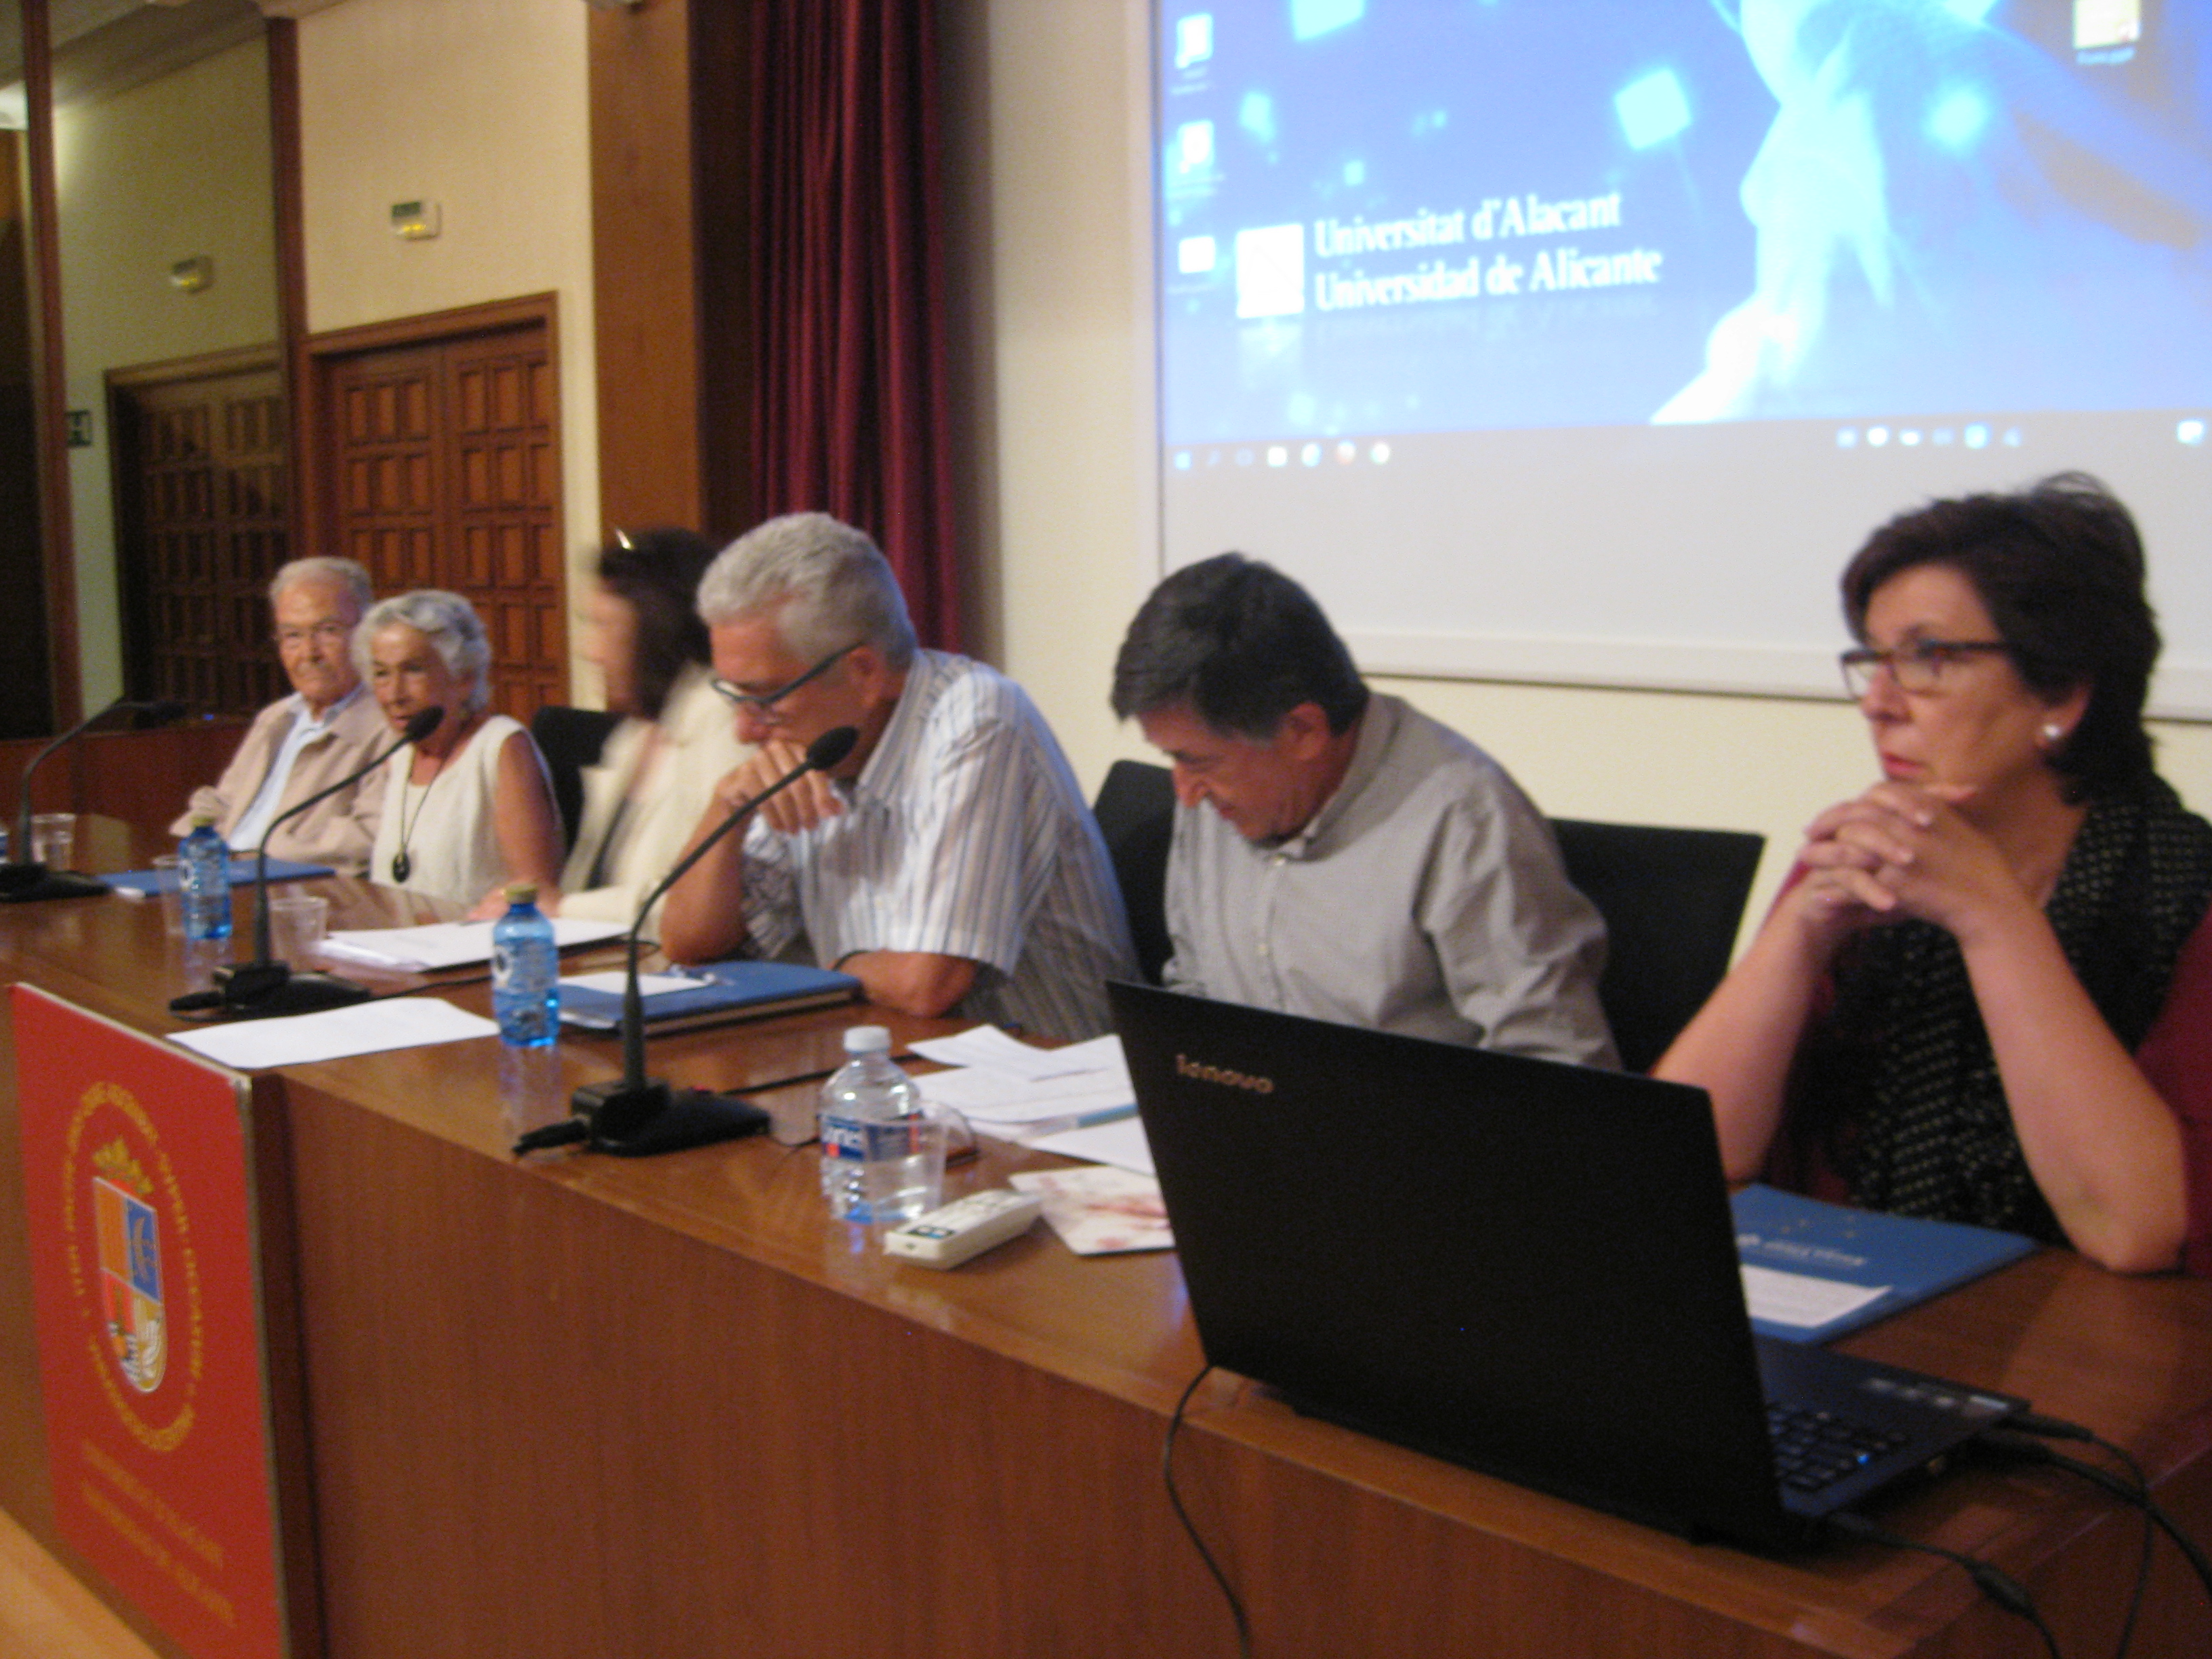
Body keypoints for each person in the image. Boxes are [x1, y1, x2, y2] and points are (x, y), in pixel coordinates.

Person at [1656, 475, 2212, 1275]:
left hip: (2085, 1336)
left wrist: (1993, 920)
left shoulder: (2185, 893)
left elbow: (2141, 1229)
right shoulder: (1865, 857)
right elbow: (1689, 1158)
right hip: (1854, 1304)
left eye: (1927, 658)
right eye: (1873, 660)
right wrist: (1801, 932)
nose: (1878, 702)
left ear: (2061, 692)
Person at [1110, 553, 1616, 1066]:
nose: (1185, 793)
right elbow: (1196, 997)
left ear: (1304, 731)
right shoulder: (1214, 798)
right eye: (1172, 759)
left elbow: (1556, 1064)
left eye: (1197, 761)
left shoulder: (1464, 818)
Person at [656, 512, 1135, 1037]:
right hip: (889, 1060)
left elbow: (926, 985)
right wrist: (726, 809)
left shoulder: (977, 720)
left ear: (864, 673)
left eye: (766, 697)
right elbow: (688, 946)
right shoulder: (807, 751)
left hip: (1048, 1069)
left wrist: (823, 971)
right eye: (735, 697)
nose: (745, 731)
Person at [554, 529, 750, 930]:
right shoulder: (634, 734)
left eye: (604, 626)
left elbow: (703, 900)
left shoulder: (724, 717)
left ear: (658, 629)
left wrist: (563, 908)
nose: (590, 652)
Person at [171, 557, 388, 874]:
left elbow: (368, 836)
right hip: (229, 874)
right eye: (292, 636)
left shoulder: (389, 726)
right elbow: (223, 803)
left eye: (328, 631)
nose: (309, 653)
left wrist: (260, 856)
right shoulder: (277, 717)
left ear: (368, 634)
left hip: (302, 887)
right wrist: (192, 844)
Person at [357, 590, 565, 912]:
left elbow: (534, 891)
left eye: (413, 670)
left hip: (478, 939)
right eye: (382, 673)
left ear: (463, 678)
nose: (394, 694)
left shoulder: (501, 747)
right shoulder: (401, 754)